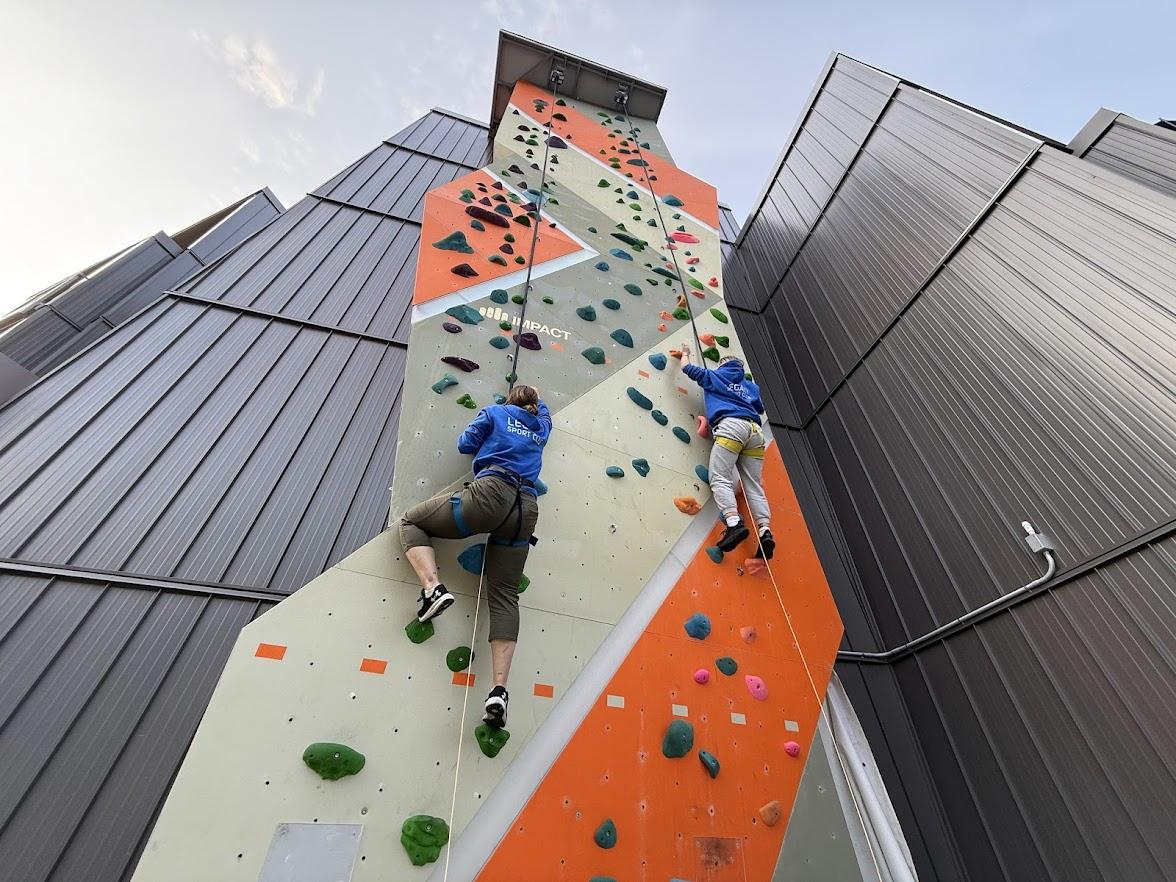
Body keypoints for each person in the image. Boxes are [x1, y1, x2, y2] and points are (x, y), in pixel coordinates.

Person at [397, 384, 550, 728]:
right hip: (524, 510)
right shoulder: (540, 428)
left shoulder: (495, 413)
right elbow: (545, 415)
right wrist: (537, 403)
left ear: (510, 401)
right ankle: (498, 691)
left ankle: (433, 588)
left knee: (411, 521)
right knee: (505, 595)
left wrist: (493, 417)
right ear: (535, 405)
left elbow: (465, 443)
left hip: (489, 495)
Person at [677, 342, 774, 558]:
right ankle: (765, 531)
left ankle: (733, 522)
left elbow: (686, 368)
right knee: (754, 486)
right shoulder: (750, 387)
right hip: (755, 433)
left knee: (720, 477)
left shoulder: (715, 376)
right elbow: (759, 407)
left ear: (722, 364)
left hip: (731, 426)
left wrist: (685, 353)